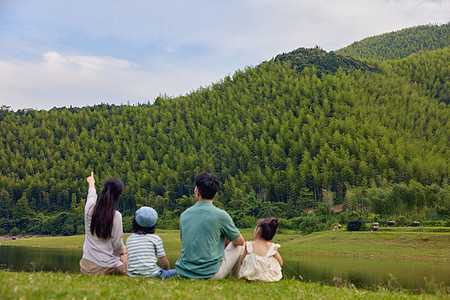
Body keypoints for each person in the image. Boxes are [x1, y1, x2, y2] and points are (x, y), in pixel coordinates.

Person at [175, 171, 245, 279]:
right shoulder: (221, 215)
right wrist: (226, 239)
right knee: (240, 246)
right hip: (210, 275)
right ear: (216, 193)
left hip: (183, 273)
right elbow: (240, 241)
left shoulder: (184, 215)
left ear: (197, 192)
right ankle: (235, 279)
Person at [80, 172, 128, 275]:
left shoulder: (89, 209)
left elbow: (91, 195)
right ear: (118, 195)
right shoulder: (116, 216)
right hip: (107, 268)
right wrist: (123, 249)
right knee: (128, 254)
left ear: (103, 190)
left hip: (86, 267)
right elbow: (117, 246)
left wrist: (91, 183)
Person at [126, 206, 177, 279]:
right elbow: (164, 263)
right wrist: (166, 272)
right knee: (178, 271)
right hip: (153, 274)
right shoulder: (155, 238)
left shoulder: (129, 239)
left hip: (132, 275)